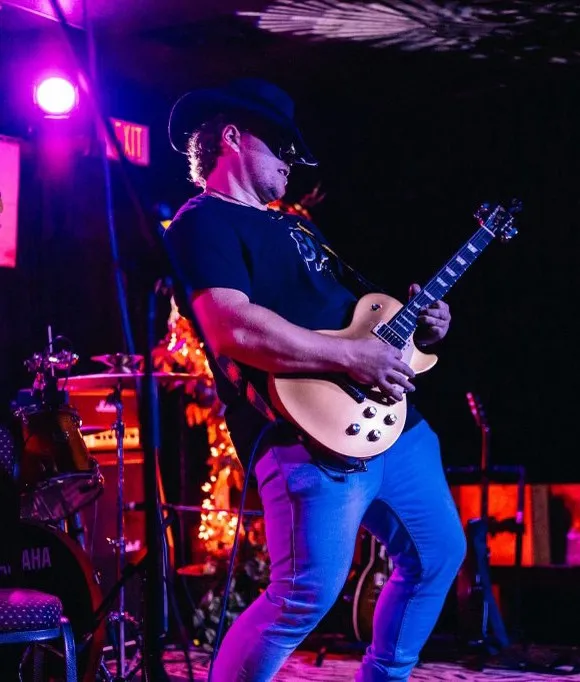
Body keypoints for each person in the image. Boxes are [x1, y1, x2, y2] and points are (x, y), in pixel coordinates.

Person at [164, 77, 466, 682]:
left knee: (437, 555)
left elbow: (363, 322)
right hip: (303, 436)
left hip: (392, 425)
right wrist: (350, 362)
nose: (293, 164)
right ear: (233, 138)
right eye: (282, 148)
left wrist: (421, 330)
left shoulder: (296, 226)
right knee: (302, 595)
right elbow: (233, 328)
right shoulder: (203, 222)